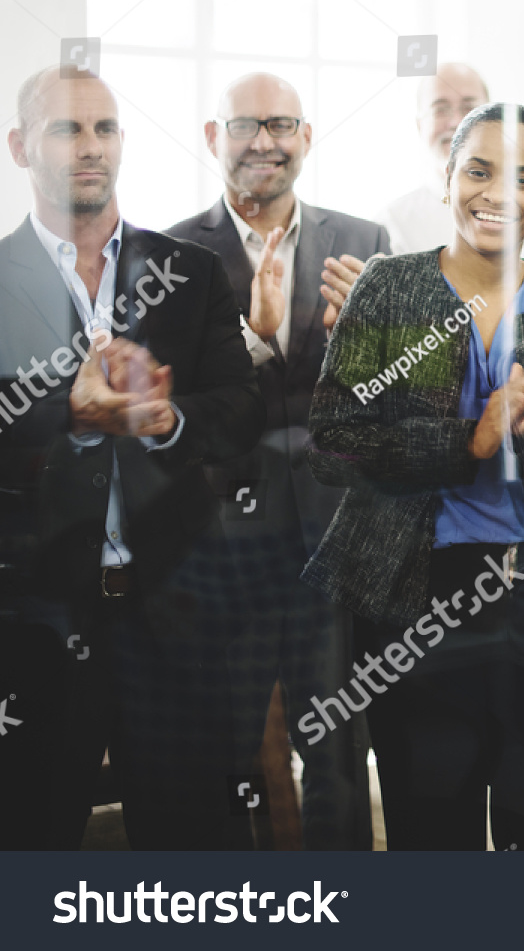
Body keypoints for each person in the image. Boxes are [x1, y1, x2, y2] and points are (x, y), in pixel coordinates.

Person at [303, 102, 524, 850]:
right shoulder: (387, 288)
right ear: (446, 179)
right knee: (431, 826)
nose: (498, 193)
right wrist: (469, 438)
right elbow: (334, 440)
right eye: (478, 170)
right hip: (414, 603)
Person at [0, 66, 263, 848]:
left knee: (196, 844)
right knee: (29, 836)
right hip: (36, 625)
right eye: (66, 129)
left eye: (105, 128)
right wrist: (68, 416)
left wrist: (164, 419)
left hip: (173, 615)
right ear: (19, 146)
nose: (91, 148)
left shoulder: (192, 273)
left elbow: (241, 410)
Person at [167, 72, 389, 850]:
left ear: (306, 134)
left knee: (335, 755)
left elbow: (385, 414)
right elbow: (182, 419)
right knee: (225, 760)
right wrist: (254, 338)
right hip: (221, 552)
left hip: (327, 546)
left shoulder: (365, 242)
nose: (265, 140)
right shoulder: (170, 257)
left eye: (282, 123)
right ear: (211, 136)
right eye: (246, 124)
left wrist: (371, 342)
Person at [375, 62, 524, 266]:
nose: (457, 122)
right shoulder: (390, 223)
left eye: (470, 108)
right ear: (420, 124)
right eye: (440, 110)